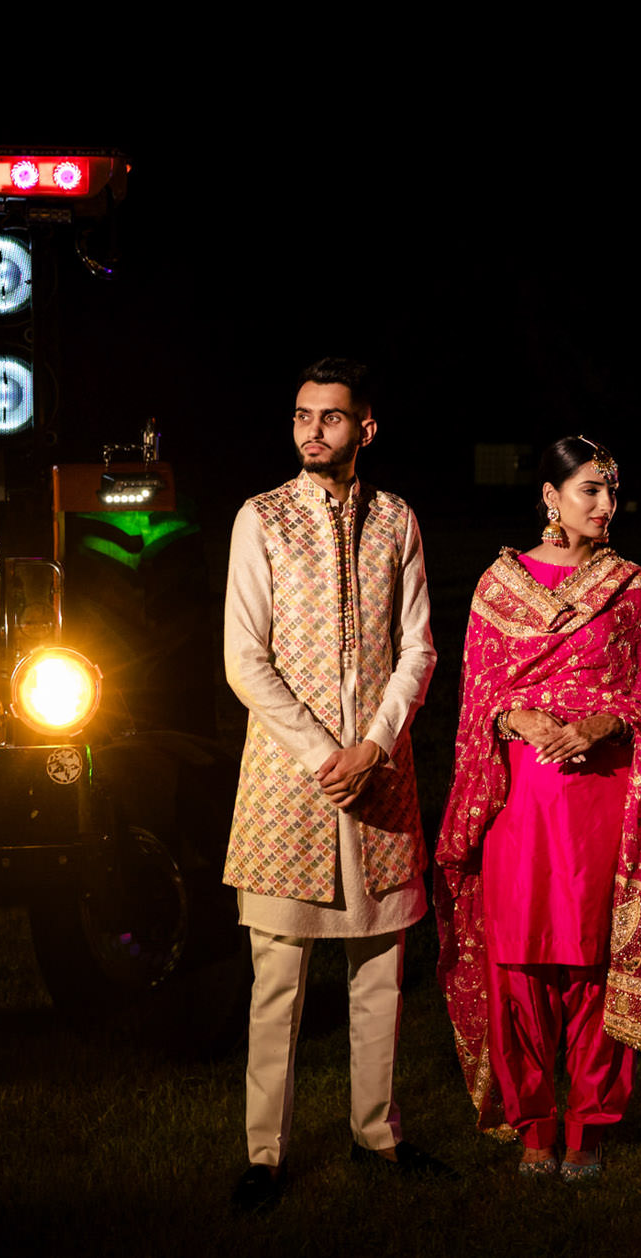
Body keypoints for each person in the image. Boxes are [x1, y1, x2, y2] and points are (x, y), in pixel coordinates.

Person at [223, 358, 454, 1213]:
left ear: (366, 428)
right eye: (302, 415)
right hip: (290, 779)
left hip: (379, 777)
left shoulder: (396, 519)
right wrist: (329, 754)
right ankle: (265, 1156)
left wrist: (376, 745)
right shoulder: (263, 518)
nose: (313, 430)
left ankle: (377, 1135)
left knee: (380, 972)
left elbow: (418, 646)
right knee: (277, 981)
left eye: (330, 416)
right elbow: (244, 658)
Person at [434, 435, 641, 1182]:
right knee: (519, 960)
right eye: (590, 491)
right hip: (521, 797)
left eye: (612, 491)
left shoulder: (633, 589)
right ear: (550, 497)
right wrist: (519, 716)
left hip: (606, 794)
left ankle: (590, 1129)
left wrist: (604, 722)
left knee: (593, 959)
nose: (607, 505)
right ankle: (534, 1126)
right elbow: (478, 697)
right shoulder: (497, 588)